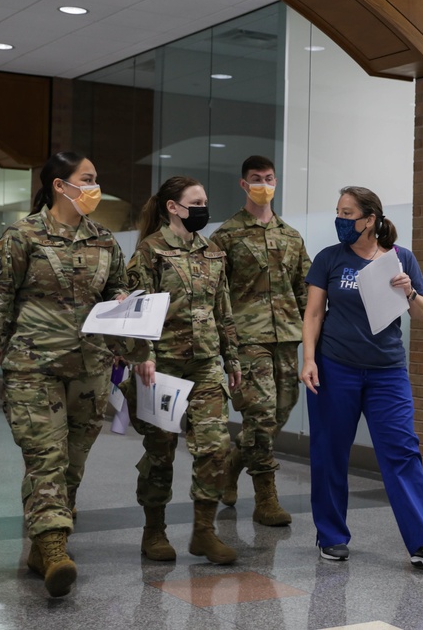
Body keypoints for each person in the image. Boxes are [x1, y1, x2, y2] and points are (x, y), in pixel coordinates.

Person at [0, 151, 135, 597]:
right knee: (47, 457)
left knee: (74, 463)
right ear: (60, 185)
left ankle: (42, 547)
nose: (95, 186)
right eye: (87, 178)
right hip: (32, 366)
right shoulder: (21, 236)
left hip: (90, 368)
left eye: (96, 178)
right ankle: (55, 547)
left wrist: (128, 318)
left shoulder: (104, 239)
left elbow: (119, 288)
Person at [299, 185, 423, 567]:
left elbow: (422, 313)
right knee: (330, 452)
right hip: (335, 368)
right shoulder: (329, 259)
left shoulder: (401, 259)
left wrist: (410, 291)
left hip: (387, 372)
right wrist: (309, 359)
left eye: (348, 213)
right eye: (338, 212)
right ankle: (331, 536)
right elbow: (314, 313)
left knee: (402, 451)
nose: (341, 220)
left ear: (371, 219)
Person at [125, 175, 242, 565]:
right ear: (172, 207)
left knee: (216, 448)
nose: (203, 209)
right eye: (196, 202)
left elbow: (223, 309)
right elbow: (136, 309)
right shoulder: (151, 251)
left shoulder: (213, 251)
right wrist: (143, 356)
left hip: (206, 365)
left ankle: (203, 532)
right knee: (161, 452)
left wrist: (233, 360)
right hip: (163, 368)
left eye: (205, 201)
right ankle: (153, 531)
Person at [210, 155, 310, 525]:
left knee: (281, 410)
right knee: (261, 412)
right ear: (243, 184)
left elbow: (304, 290)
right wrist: (225, 344)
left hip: (286, 337)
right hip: (247, 339)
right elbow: (216, 294)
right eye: (256, 178)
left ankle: (235, 461)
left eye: (269, 178)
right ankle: (266, 496)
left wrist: (313, 340)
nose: (263, 184)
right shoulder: (226, 235)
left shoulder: (291, 236)